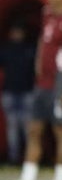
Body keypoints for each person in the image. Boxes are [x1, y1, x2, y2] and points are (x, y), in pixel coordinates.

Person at [2, 0, 62, 180]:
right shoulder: (46, 14)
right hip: (41, 83)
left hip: (59, 83)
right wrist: (38, 64)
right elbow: (42, 43)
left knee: (60, 131)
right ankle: (27, 179)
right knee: (34, 129)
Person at [0, 22, 36, 165]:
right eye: (15, 31)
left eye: (19, 32)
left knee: (28, 127)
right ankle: (14, 157)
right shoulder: (5, 49)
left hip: (27, 92)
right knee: (12, 126)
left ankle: (29, 157)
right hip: (10, 92)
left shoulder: (30, 49)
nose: (17, 35)